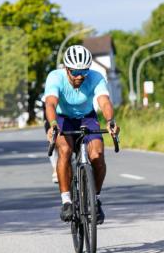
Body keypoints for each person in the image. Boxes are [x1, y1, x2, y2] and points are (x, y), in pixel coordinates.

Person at [43, 45, 121, 224]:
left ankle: (95, 199)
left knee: (98, 155)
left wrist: (110, 121)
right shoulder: (55, 77)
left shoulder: (95, 77)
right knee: (65, 150)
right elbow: (50, 104)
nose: (79, 76)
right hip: (62, 118)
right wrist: (53, 124)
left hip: (86, 117)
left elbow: (104, 101)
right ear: (67, 68)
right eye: (76, 72)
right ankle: (66, 201)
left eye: (83, 72)